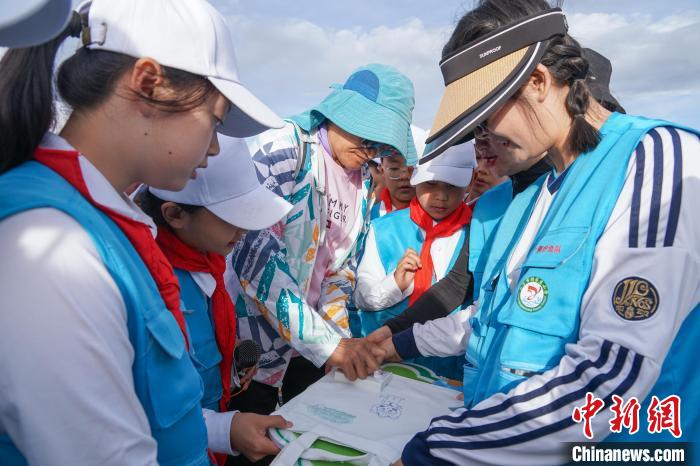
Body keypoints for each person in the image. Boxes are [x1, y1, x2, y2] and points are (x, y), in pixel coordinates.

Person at [379, 1, 700, 464]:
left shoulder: (658, 161)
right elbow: (499, 317)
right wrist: (399, 342)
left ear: (537, 82)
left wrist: (438, 450)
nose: (484, 135)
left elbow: (610, 376)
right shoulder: (542, 191)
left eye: (488, 115)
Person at [0, 0, 292, 464]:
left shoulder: (102, 224)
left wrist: (222, 427)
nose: (215, 147)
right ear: (148, 83)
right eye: (214, 120)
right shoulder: (53, 244)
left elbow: (138, 406)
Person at [225, 64, 415, 444]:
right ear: (339, 114)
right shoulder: (286, 148)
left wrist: (340, 343)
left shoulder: (363, 186)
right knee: (245, 444)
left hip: (305, 354)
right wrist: (329, 345)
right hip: (247, 353)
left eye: (380, 147)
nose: (369, 153)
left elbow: (337, 274)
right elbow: (256, 259)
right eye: (366, 139)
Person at [139, 136, 293, 463]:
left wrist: (229, 361)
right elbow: (149, 404)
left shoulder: (210, 262)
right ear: (175, 215)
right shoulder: (150, 285)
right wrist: (227, 429)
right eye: (232, 218)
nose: (244, 231)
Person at [354, 143, 475, 379]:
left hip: (447, 370)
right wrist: (394, 285)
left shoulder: (477, 234)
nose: (441, 196)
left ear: (469, 183)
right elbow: (361, 297)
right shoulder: (384, 229)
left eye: (452, 186)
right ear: (414, 179)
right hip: (381, 364)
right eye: (431, 184)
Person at [370, 125, 426, 220]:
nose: (405, 176)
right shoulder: (368, 218)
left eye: (412, 168)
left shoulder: (437, 217)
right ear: (382, 170)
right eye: (394, 168)